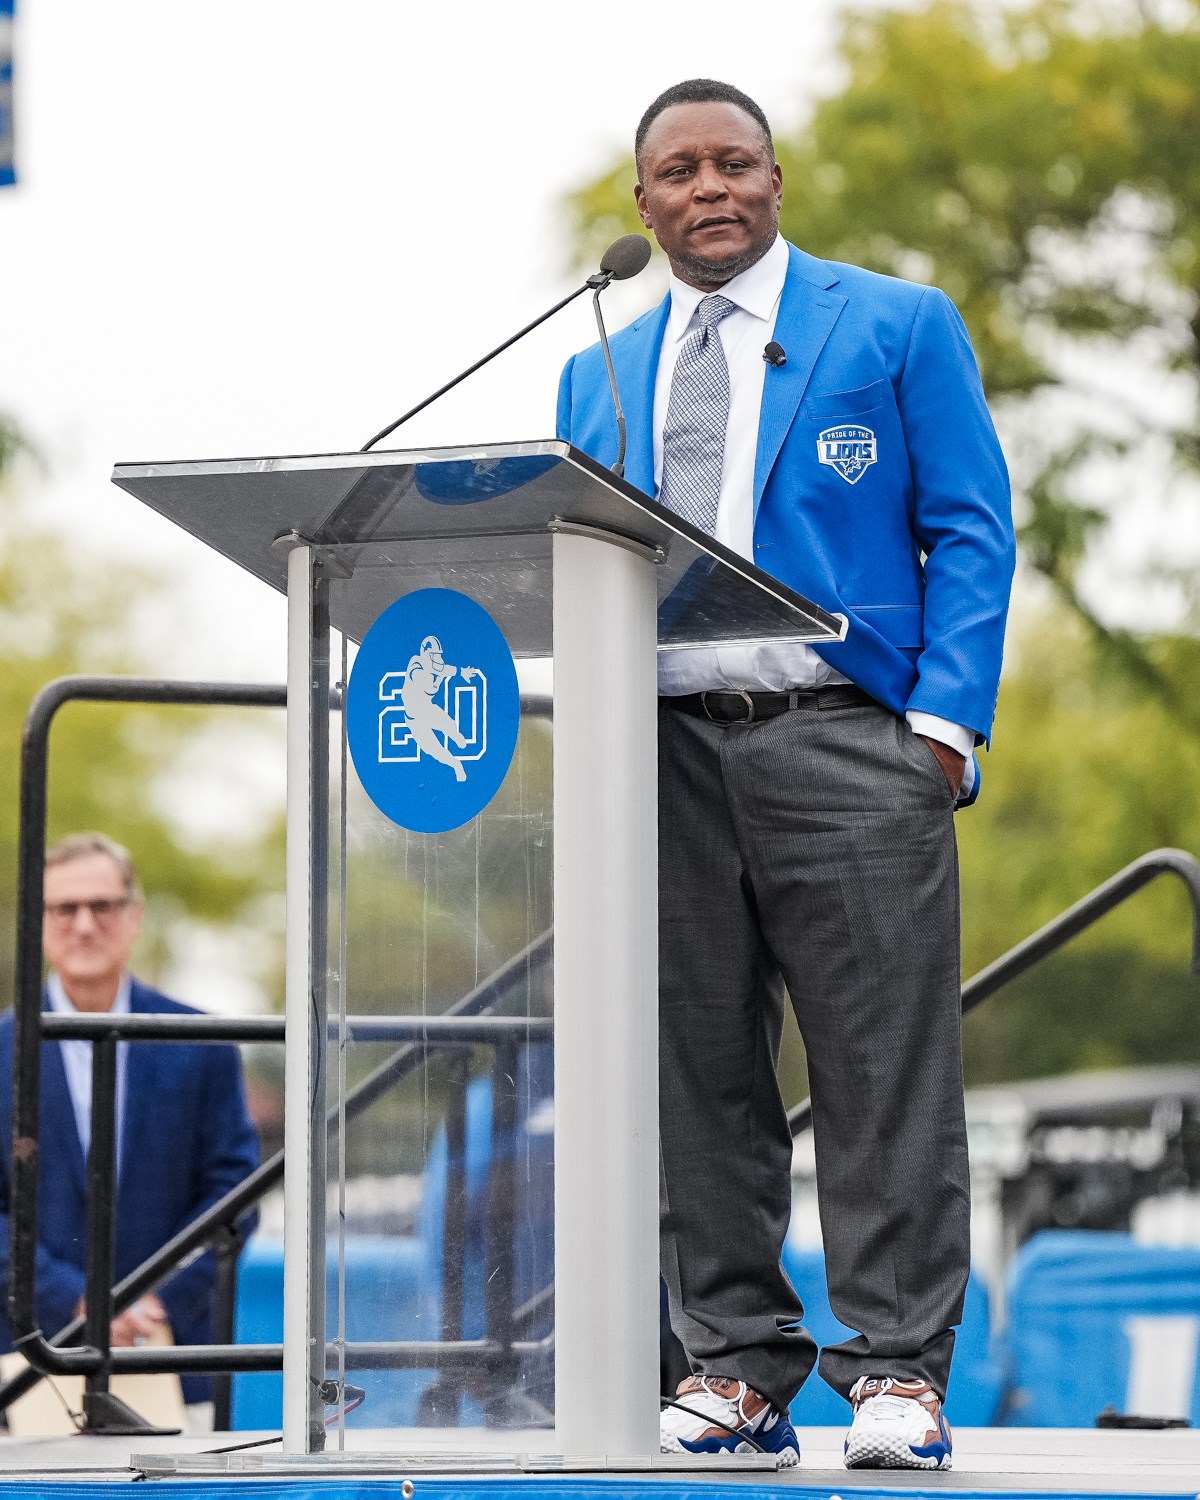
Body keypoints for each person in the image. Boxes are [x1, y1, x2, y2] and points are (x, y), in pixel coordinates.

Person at [557, 80, 1015, 1472]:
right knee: (694, 1068)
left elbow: (973, 528)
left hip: (847, 736)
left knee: (881, 1068)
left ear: (775, 176)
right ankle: (739, 1366)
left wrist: (942, 726)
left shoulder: (895, 325)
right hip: (662, 758)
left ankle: (895, 1374)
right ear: (641, 204)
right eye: (679, 170)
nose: (711, 188)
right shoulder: (596, 369)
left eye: (735, 162)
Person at [0, 833, 261, 1428]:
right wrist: (74, 1299)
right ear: (37, 921)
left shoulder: (204, 1045)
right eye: (65, 908)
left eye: (103, 906)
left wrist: (150, 1299)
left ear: (134, 915)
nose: (85, 925)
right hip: (22, 1368)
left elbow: (235, 1193)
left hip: (173, 1360)